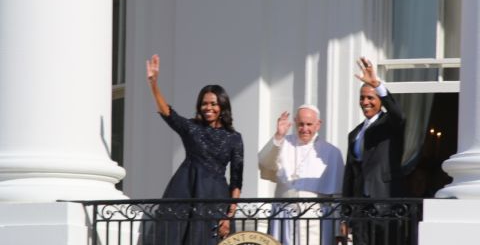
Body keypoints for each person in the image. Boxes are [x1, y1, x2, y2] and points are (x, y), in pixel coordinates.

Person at [145, 54, 244, 244]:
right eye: (204, 103)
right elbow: (168, 113)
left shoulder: (234, 138)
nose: (208, 107)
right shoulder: (192, 128)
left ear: (222, 106)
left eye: (213, 103)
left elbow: (237, 180)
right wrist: (154, 84)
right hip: (184, 190)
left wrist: (229, 215)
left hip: (215, 197)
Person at [341, 57, 406, 245]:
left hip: (385, 202)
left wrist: (377, 85)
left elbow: (399, 114)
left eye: (371, 97)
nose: (365, 102)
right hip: (360, 206)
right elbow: (349, 175)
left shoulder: (390, 124)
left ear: (379, 100)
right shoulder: (354, 133)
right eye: (362, 98)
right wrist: (346, 214)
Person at [258, 104, 344, 245]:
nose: (305, 129)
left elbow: (337, 195)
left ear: (318, 124)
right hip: (284, 216)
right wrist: (279, 135)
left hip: (317, 220)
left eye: (309, 124)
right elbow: (265, 164)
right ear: (295, 122)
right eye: (301, 124)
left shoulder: (332, 152)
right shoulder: (283, 143)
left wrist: (338, 230)